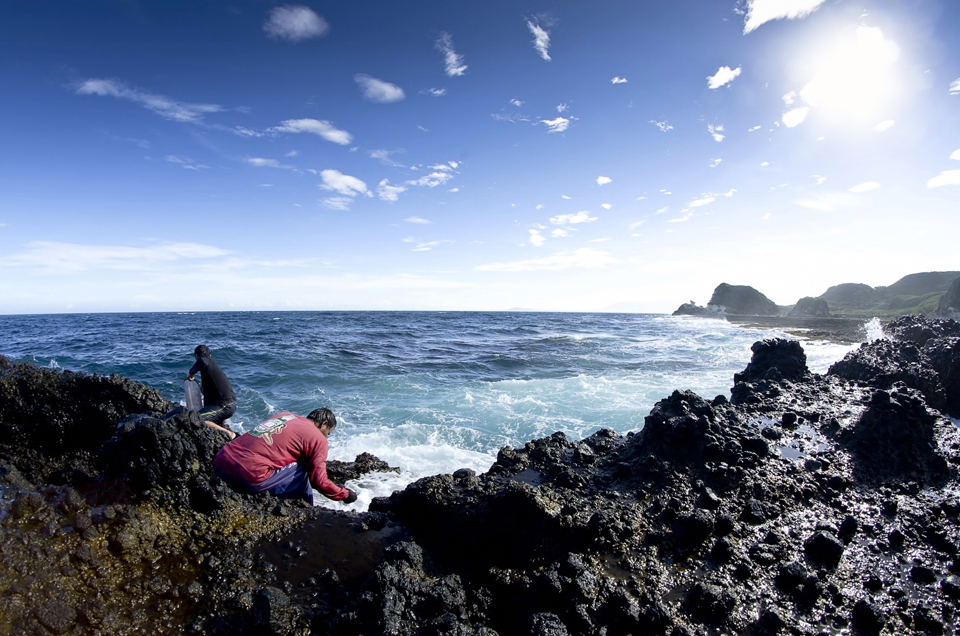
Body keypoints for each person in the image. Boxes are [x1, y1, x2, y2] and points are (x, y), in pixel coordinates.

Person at [213, 407, 358, 505]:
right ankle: (308, 510)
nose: (326, 437)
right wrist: (345, 495)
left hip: (220, 463)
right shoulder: (317, 438)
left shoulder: (284, 416)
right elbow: (318, 481)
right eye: (328, 433)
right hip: (247, 476)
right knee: (304, 468)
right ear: (323, 424)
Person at [187, 344, 237, 439]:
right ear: (210, 355)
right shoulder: (212, 371)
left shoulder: (206, 361)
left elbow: (202, 361)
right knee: (208, 418)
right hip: (229, 405)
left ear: (196, 356)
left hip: (225, 406)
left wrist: (191, 373)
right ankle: (223, 432)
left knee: (197, 418)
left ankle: (229, 433)